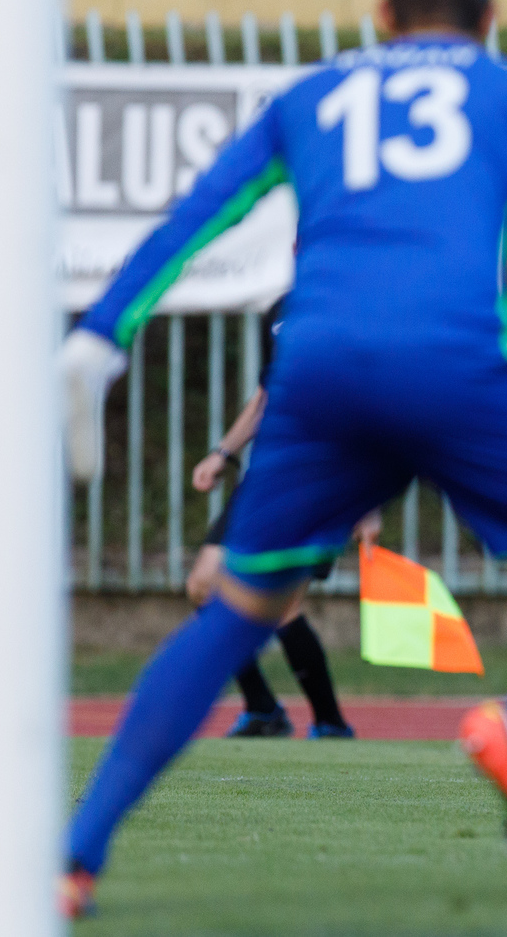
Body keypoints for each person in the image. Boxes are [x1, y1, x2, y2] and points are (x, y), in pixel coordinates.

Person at [57, 0, 507, 916]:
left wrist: (98, 338)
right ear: (490, 21)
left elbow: (196, 214)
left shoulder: (311, 97)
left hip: (315, 377)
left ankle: (75, 857)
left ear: (382, 16)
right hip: (456, 364)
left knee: (237, 609)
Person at [185, 299, 369, 739]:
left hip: (325, 479)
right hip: (267, 477)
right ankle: (263, 708)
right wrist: (222, 452)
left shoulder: (356, 310)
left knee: (282, 605)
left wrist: (368, 501)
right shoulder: (280, 312)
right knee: (203, 585)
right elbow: (267, 396)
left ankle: (330, 722)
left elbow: (369, 406)